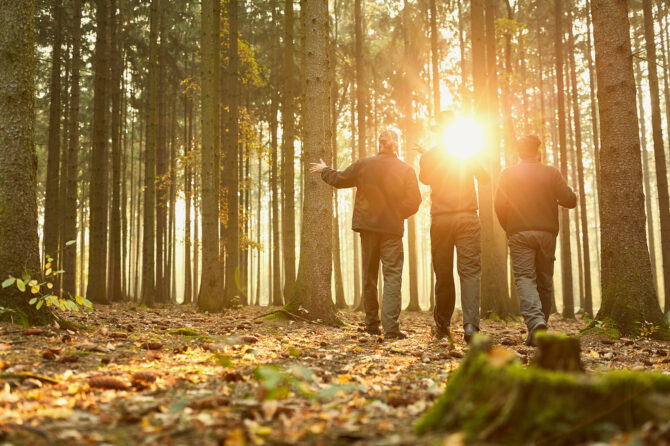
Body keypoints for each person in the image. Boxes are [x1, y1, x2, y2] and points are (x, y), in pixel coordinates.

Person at [310, 129, 421, 339]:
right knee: (392, 276)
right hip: (392, 230)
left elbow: (340, 179)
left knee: (370, 276)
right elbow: (414, 201)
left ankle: (371, 325)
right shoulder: (406, 170)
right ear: (396, 144)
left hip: (368, 229)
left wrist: (325, 170)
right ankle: (391, 328)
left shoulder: (364, 164)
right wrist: (397, 213)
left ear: (379, 143)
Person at [494, 135, 577, 346]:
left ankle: (536, 322)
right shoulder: (551, 173)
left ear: (519, 153)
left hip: (519, 233)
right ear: (538, 152)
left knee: (524, 277)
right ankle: (540, 326)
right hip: (546, 233)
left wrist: (510, 228)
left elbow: (499, 205)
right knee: (544, 281)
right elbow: (570, 200)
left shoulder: (508, 174)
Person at [418, 110, 488, 343]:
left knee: (443, 273)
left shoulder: (429, 155)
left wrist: (426, 156)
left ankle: (442, 326)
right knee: (469, 272)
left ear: (438, 129)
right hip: (467, 217)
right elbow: (485, 177)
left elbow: (425, 178)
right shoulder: (465, 152)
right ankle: (470, 326)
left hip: (441, 220)